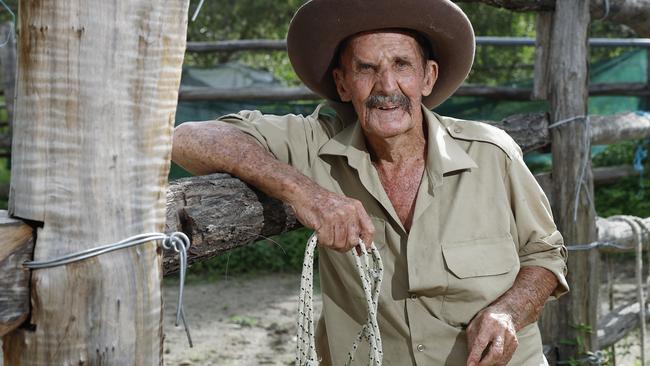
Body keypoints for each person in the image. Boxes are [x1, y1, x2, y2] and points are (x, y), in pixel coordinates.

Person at [172, 0, 569, 365]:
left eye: (401, 65)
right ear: (343, 84)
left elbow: (546, 256)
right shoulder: (316, 144)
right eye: (366, 68)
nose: (386, 87)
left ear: (427, 77)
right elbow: (187, 139)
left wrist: (509, 312)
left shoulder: (491, 153)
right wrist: (306, 193)